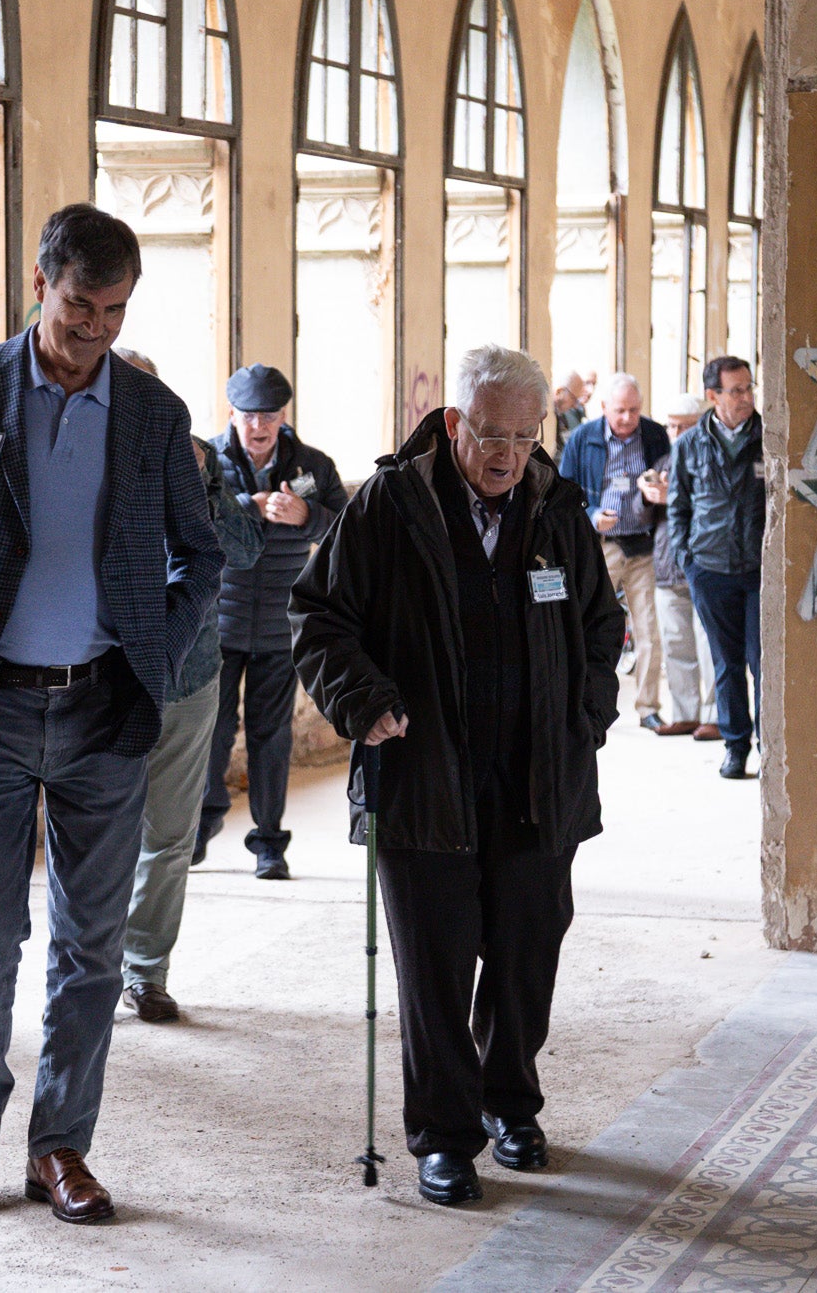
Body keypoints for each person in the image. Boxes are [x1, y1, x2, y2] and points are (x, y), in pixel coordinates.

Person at [0, 204, 224, 1223]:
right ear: (39, 286)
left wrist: (150, 644)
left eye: (113, 312)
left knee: (89, 944)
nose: (94, 332)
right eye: (78, 308)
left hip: (103, 711)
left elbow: (201, 555)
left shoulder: (152, 415)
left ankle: (61, 1144)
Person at [290, 345, 624, 1208]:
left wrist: (583, 719)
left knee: (524, 957)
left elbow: (599, 621)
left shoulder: (556, 509)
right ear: (451, 424)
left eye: (524, 435)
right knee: (435, 970)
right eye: (489, 435)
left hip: (538, 779)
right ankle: (445, 1137)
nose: (507, 454)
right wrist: (362, 699)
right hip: (422, 778)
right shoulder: (389, 507)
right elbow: (319, 616)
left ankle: (510, 1103)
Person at [113, 351, 264, 1023]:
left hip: (188, 673)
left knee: (168, 836)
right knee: (94, 834)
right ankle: (88, 970)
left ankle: (145, 971)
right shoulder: (70, 454)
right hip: (100, 673)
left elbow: (247, 545)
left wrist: (204, 487)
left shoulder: (199, 458)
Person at [199, 365, 347, 880]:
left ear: (283, 416)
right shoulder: (207, 459)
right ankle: (201, 824)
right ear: (231, 415)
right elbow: (186, 522)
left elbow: (348, 534)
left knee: (271, 736)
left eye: (269, 416)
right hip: (215, 625)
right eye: (248, 416)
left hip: (281, 628)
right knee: (210, 732)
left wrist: (308, 517)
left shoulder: (312, 465)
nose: (258, 427)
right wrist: (247, 506)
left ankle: (268, 843)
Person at [668, 356, 764, 779]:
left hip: (761, 570)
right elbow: (678, 508)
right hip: (710, 569)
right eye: (736, 390)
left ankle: (772, 747)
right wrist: (688, 561)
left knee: (764, 662)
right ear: (713, 396)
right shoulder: (689, 446)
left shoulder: (769, 437)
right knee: (726, 664)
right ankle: (736, 746)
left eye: (748, 388)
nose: (746, 397)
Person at [558, 374, 672, 731]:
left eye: (633, 410)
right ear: (604, 407)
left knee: (650, 629)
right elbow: (564, 491)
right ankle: (582, 701)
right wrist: (591, 515)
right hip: (601, 547)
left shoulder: (654, 436)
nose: (626, 418)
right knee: (588, 624)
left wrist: (659, 490)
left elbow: (669, 474)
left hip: (642, 546)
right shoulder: (582, 438)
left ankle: (648, 707)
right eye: (619, 410)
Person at [639, 393, 719, 739]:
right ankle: (685, 713)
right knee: (675, 644)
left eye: (682, 425)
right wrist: (643, 493)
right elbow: (644, 518)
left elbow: (715, 508)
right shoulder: (663, 461)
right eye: (670, 425)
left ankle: (715, 716)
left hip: (704, 565)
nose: (674, 432)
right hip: (668, 566)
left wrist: (674, 494)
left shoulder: (713, 459)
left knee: (710, 645)